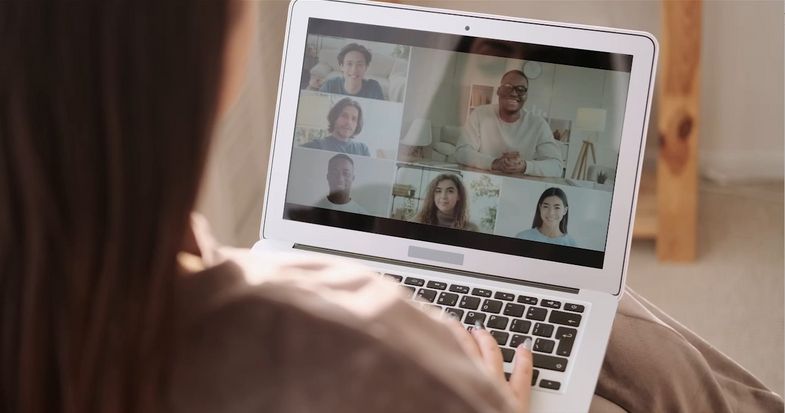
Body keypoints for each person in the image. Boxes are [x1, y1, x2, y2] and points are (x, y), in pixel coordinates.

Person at [3, 2, 783, 413]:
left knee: (607, 314)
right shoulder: (368, 347)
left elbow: (527, 164)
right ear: (209, 49)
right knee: (610, 321)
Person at [455, 69, 562, 177]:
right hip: (482, 180)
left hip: (519, 185)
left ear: (526, 96)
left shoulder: (538, 124)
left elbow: (556, 166)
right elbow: (462, 152)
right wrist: (494, 163)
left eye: (520, 89)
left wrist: (524, 166)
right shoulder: (480, 114)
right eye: (507, 88)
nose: (514, 93)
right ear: (498, 91)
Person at [301, 97, 371, 156]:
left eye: (354, 119)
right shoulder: (317, 146)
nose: (349, 122)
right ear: (334, 117)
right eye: (344, 116)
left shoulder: (362, 150)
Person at [320, 42, 385, 100]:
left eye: (359, 64)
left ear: (366, 67)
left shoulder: (374, 88)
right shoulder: (330, 85)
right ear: (341, 66)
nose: (354, 69)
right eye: (349, 64)